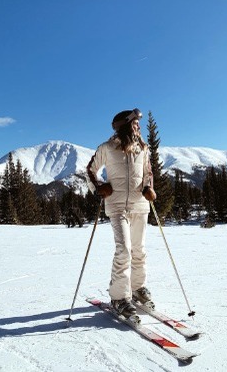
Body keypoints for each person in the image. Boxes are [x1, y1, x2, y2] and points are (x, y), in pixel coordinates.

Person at [86, 108, 156, 318]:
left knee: (139, 250)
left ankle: (137, 288)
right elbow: (90, 170)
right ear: (125, 125)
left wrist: (148, 187)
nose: (138, 126)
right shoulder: (107, 148)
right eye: (135, 123)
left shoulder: (142, 148)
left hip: (139, 206)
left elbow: (148, 172)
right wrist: (99, 187)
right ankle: (119, 297)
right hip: (117, 206)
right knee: (124, 250)